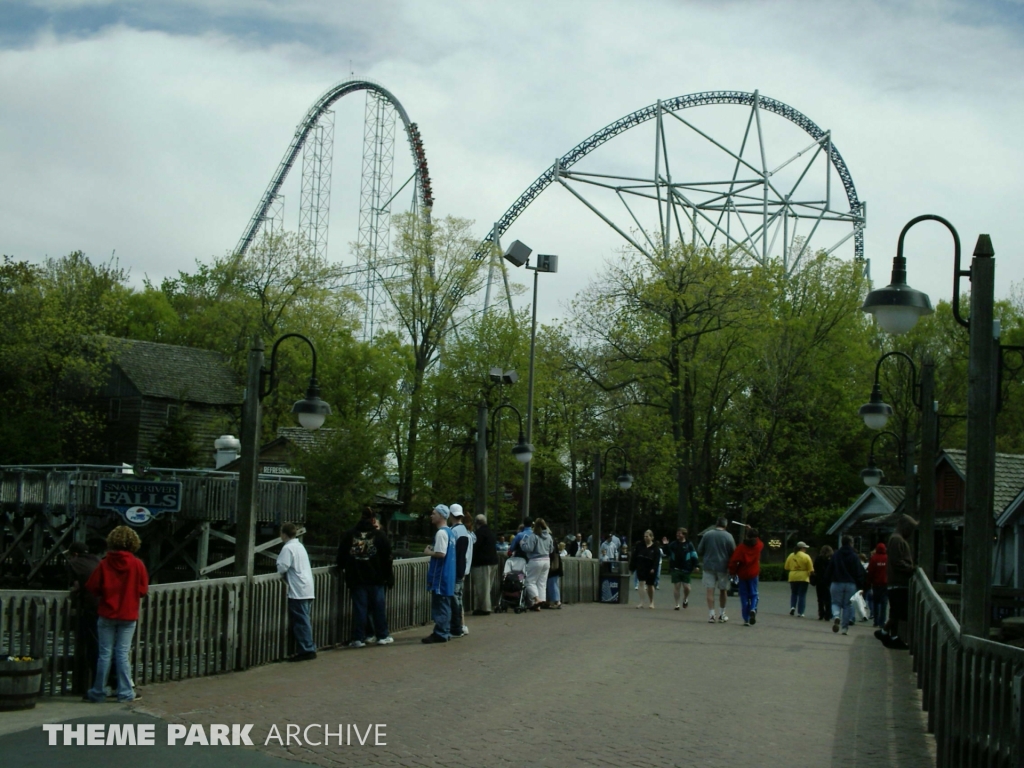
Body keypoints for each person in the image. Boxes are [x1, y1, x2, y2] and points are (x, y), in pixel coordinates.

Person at [84, 526, 149, 702]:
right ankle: (126, 692)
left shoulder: (104, 563)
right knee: (122, 653)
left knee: (104, 653)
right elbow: (143, 590)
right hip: (128, 615)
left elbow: (92, 587)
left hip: (107, 613)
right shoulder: (137, 564)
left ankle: (98, 691)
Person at [338, 508, 393, 648]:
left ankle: (358, 638)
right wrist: (389, 576)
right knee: (378, 608)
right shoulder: (380, 536)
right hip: (376, 578)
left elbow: (341, 556)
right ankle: (382, 635)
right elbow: (387, 558)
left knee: (360, 609)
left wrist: (341, 567)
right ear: (373, 520)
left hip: (356, 578)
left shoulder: (350, 535)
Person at [65, 541, 101, 695]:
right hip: (106, 604)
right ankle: (111, 682)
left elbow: (76, 586)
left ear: (74, 554)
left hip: (91, 606)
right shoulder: (98, 561)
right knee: (107, 646)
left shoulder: (74, 563)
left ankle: (96, 685)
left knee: (93, 645)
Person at [277, 522, 317, 661]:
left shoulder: (288, 548)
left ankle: (307, 649)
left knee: (301, 621)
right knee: (305, 618)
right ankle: (308, 647)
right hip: (307, 587)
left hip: (297, 590)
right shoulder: (300, 546)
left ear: (284, 534)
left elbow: (282, 567)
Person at [877, 515, 917, 650]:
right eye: (910, 529)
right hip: (898, 582)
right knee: (898, 612)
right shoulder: (897, 540)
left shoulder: (896, 539)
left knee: (896, 612)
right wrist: (911, 569)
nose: (911, 533)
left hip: (897, 582)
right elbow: (897, 562)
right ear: (904, 527)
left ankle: (891, 635)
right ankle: (889, 634)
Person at [423, 504, 457, 643]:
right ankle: (445, 630)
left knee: (440, 604)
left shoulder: (442, 533)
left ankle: (441, 632)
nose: (431, 516)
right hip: (448, 574)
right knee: (445, 604)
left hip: (441, 575)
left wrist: (428, 552)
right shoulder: (451, 532)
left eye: (434, 513)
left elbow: (441, 554)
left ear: (441, 516)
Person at [698, 516, 736, 623]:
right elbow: (733, 552)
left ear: (716, 523)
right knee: (723, 590)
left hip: (708, 566)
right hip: (723, 567)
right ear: (725, 525)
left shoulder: (707, 534)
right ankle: (722, 614)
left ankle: (711, 615)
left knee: (710, 590)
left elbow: (700, 549)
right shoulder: (729, 536)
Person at [825, 535, 866, 635]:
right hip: (850, 584)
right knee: (847, 605)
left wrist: (827, 581)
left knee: (835, 603)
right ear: (850, 543)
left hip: (836, 582)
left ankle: (836, 616)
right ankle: (844, 628)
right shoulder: (854, 556)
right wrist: (861, 585)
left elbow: (829, 569)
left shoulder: (836, 555)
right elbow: (859, 571)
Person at [728, 527, 763, 626]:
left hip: (743, 573)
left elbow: (733, 561)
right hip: (753, 572)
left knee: (744, 595)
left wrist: (733, 572)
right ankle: (753, 608)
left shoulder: (741, 547)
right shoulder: (758, 546)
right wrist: (751, 529)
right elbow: (760, 541)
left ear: (747, 536)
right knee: (754, 593)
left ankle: (746, 618)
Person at [520, 518, 554, 610]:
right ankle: (541, 601)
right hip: (546, 560)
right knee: (542, 582)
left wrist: (522, 544)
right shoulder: (549, 536)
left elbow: (529, 548)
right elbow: (551, 549)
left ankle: (536, 599)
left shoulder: (534, 536)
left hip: (535, 560)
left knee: (529, 581)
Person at [449, 504, 472, 639]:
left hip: (456, 569)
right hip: (462, 568)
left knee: (455, 599)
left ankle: (456, 627)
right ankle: (460, 626)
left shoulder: (454, 531)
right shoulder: (465, 531)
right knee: (458, 598)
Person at [471, 514, 498, 616]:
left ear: (476, 522)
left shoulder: (478, 534)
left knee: (482, 586)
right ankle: (482, 606)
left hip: (482, 563)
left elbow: (475, 548)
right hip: (493, 562)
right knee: (488, 586)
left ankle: (485, 608)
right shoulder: (490, 533)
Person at [665, 528, 698, 610]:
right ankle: (677, 604)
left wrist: (696, 566)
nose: (678, 535)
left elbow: (694, 555)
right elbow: (667, 552)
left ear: (684, 535)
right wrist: (665, 545)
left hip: (686, 569)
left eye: (679, 533)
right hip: (675, 568)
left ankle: (685, 598)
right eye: (677, 533)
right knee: (677, 586)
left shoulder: (689, 544)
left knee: (687, 587)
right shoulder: (673, 544)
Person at [630, 530, 661, 609]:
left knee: (650, 585)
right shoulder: (639, 546)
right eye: (644, 536)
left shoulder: (655, 548)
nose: (645, 538)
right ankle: (641, 602)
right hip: (641, 567)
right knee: (641, 583)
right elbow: (634, 557)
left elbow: (656, 560)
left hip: (650, 568)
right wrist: (632, 568)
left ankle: (651, 602)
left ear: (652, 537)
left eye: (647, 536)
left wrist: (654, 568)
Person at [784, 541, 814, 617]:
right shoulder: (806, 556)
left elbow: (786, 567)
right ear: (802, 548)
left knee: (794, 593)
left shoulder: (791, 555)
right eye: (805, 548)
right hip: (803, 576)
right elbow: (810, 569)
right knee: (802, 595)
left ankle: (792, 607)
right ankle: (801, 612)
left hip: (793, 576)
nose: (805, 549)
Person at [866, 542, 888, 628]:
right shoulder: (887, 558)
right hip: (885, 584)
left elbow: (870, 571)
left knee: (875, 603)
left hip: (875, 584)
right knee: (884, 603)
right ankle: (882, 622)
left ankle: (876, 621)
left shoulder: (873, 558)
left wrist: (869, 582)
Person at [813, 545, 834, 620]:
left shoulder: (818, 558)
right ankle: (828, 614)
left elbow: (814, 568)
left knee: (820, 598)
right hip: (828, 581)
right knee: (828, 598)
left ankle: (821, 613)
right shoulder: (831, 559)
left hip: (819, 580)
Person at [545, 540, 564, 609]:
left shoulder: (548, 539)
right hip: (556, 566)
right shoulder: (552, 540)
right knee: (554, 583)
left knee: (551, 583)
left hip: (552, 566)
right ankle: (555, 601)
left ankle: (555, 601)